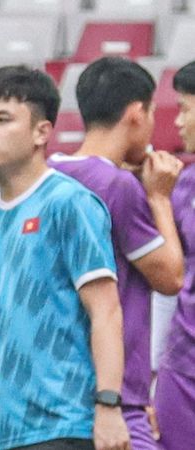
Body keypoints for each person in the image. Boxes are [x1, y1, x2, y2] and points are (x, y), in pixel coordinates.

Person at [0, 66, 130, 450]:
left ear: (42, 132)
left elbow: (106, 311)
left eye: (2, 119)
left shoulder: (70, 204)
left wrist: (109, 406)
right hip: (2, 435)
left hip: (68, 427)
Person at [47, 57, 183, 449]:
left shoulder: (48, 174)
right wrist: (158, 199)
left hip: (57, 391)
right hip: (114, 398)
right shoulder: (118, 185)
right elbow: (170, 277)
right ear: (137, 113)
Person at [152, 60, 195, 450]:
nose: (178, 122)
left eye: (185, 108)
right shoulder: (181, 186)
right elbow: (166, 281)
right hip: (184, 370)